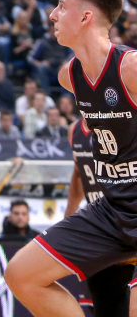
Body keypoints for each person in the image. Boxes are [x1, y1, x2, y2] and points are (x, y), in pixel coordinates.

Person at [5, 0, 137, 317]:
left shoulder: (131, 69)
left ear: (85, 17)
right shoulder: (69, 76)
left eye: (61, 6)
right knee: (21, 275)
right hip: (112, 208)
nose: (52, 15)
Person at [66, 116, 135, 317]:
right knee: (105, 305)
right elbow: (79, 173)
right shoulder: (74, 130)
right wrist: (69, 214)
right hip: (101, 226)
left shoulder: (122, 121)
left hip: (128, 219)